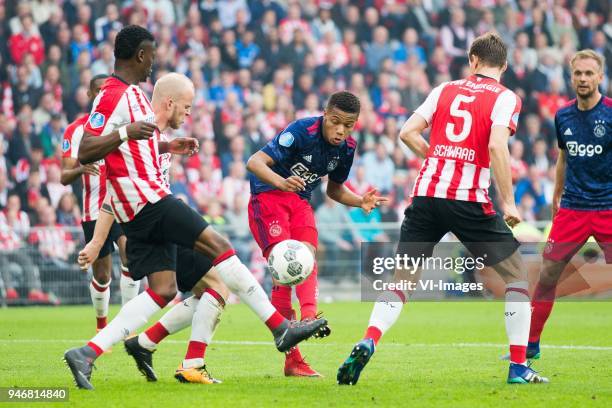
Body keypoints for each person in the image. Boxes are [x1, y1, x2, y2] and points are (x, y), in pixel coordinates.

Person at [63, 25, 326, 390]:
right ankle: (280, 329)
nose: (152, 64)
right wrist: (125, 132)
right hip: (149, 201)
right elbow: (85, 151)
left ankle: (86, 353)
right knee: (219, 248)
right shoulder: (113, 94)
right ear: (140, 55)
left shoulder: (132, 97)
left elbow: (130, 153)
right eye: (151, 56)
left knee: (163, 290)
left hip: (137, 210)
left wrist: (165, 147)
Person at [337, 32, 548, 385]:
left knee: (401, 281)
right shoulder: (506, 97)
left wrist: (434, 156)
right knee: (516, 278)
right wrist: (508, 201)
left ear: (472, 60)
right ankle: (518, 367)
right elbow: (497, 147)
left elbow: (406, 132)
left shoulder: (445, 89)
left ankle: (369, 339)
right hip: (467, 199)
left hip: (425, 196)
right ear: (505, 66)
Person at [77, 78, 232, 383]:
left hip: (162, 220)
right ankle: (186, 360)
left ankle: (143, 344)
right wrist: (97, 241)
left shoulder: (155, 139)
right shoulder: (139, 133)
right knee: (215, 284)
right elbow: (114, 194)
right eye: (186, 107)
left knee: (201, 288)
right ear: (169, 103)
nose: (188, 114)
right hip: (154, 223)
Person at [247, 91, 386, 376]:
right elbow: (255, 163)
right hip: (268, 197)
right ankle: (293, 359)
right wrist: (282, 181)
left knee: (307, 257)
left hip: (299, 201)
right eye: (335, 122)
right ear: (325, 114)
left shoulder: (347, 148)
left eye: (348, 125)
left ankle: (309, 318)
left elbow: (334, 190)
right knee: (283, 272)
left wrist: (360, 201)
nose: (340, 130)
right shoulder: (301, 131)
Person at [527, 50, 611, 359]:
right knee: (548, 274)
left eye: (590, 73)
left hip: (608, 207)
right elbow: (563, 156)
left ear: (600, 77)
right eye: (579, 73)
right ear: (571, 76)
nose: (584, 79)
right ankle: (530, 346)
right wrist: (556, 196)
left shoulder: (611, 113)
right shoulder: (562, 115)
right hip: (573, 208)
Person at [61, 74, 140, 334]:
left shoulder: (120, 126)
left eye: (104, 91)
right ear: (89, 94)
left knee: (129, 250)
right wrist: (83, 167)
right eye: (97, 91)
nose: (101, 95)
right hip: (94, 209)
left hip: (120, 202)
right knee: (103, 274)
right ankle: (101, 325)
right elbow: (64, 175)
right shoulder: (76, 130)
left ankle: (128, 324)